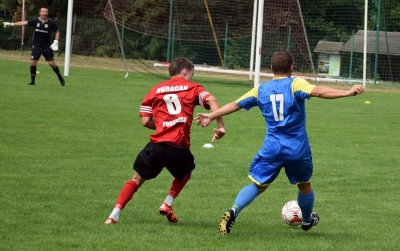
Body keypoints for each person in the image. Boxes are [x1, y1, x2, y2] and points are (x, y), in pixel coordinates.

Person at [195, 51, 365, 235]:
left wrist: (211, 115)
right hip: (297, 149)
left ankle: (233, 210)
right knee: (304, 185)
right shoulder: (296, 83)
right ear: (291, 68)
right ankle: (307, 221)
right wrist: (347, 92)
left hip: (272, 148)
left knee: (258, 185)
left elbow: (235, 104)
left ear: (271, 69)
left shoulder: (261, 89)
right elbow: (319, 91)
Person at [104, 57, 226, 225]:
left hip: (156, 145)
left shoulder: (155, 90)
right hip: (178, 147)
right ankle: (167, 203)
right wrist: (219, 125)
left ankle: (113, 215)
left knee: (136, 179)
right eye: (192, 73)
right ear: (185, 71)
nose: (192, 76)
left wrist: (164, 125)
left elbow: (146, 121)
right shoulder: (193, 87)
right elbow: (211, 100)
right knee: (187, 171)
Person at [2, 7, 65, 86]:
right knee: (33, 62)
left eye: (46, 11)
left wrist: (56, 41)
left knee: (52, 64)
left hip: (47, 46)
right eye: (43, 11)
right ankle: (32, 81)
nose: (45, 13)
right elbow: (24, 23)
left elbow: (57, 31)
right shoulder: (35, 21)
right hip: (37, 46)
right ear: (40, 13)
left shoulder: (51, 22)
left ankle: (60, 77)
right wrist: (11, 24)